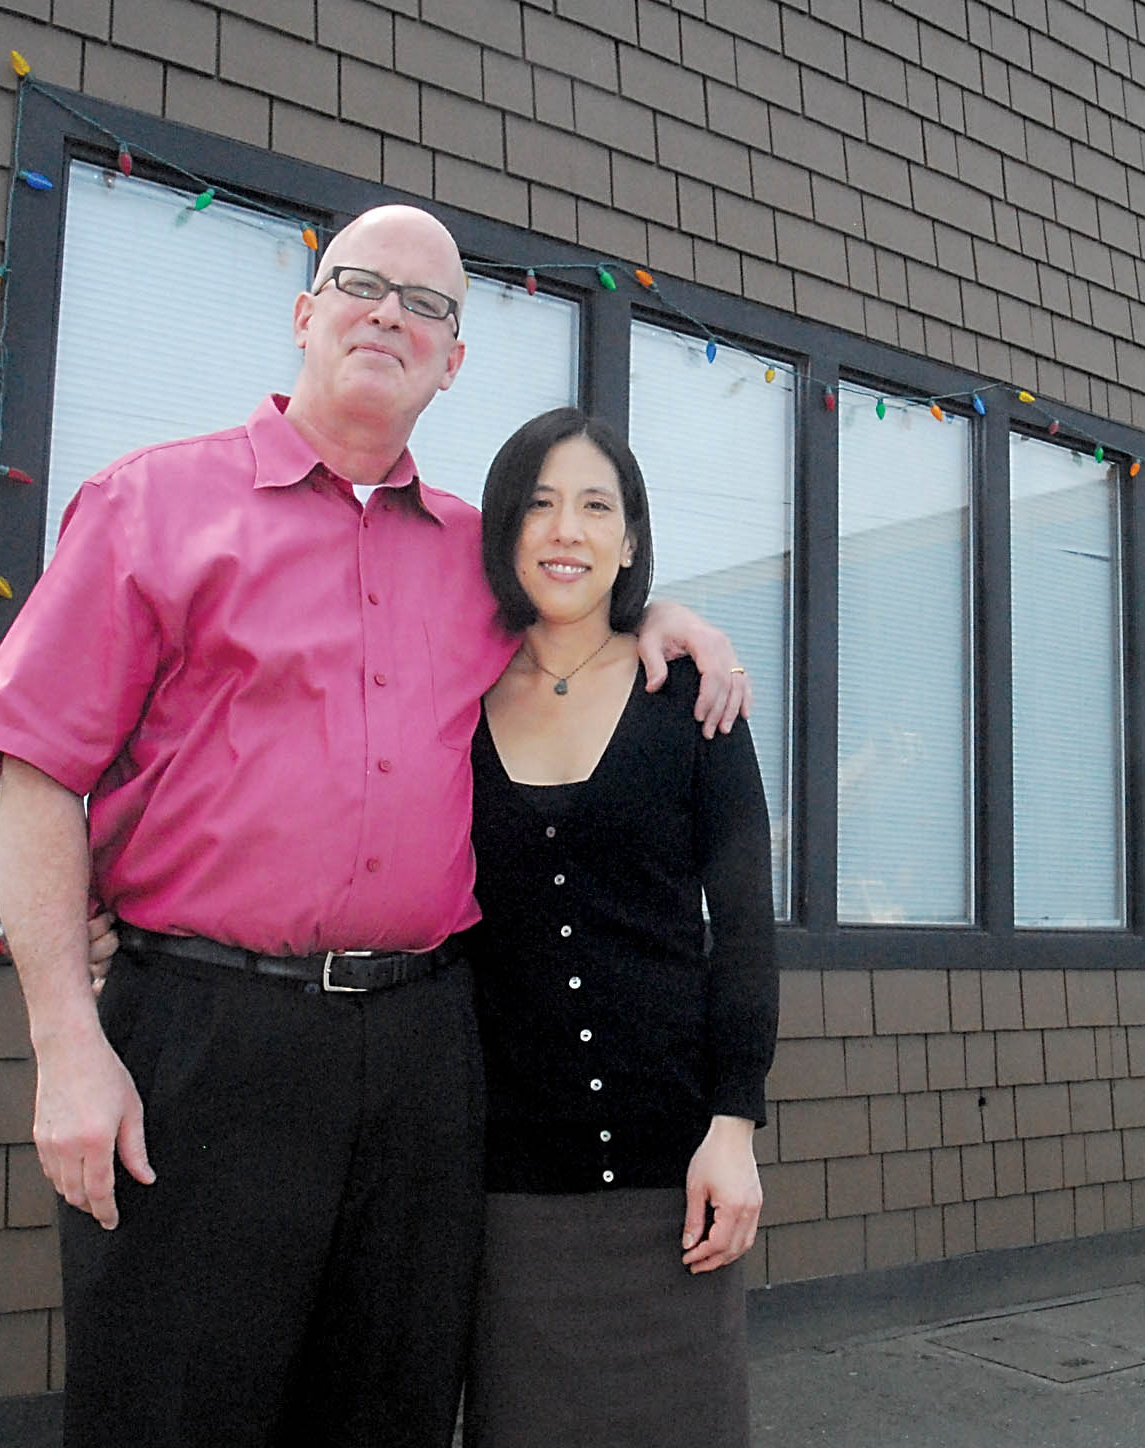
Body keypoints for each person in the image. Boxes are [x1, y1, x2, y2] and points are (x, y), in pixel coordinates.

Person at [0, 205, 748, 1448]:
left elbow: (573, 615)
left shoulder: (477, 566)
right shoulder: (151, 506)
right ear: (306, 312)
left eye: (427, 303)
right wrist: (65, 1040)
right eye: (361, 284)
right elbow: (39, 770)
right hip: (206, 1035)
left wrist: (664, 617)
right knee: (175, 1405)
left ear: (453, 359)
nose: (391, 313)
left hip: (428, 1048)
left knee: (388, 1406)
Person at [460, 408, 778, 1448]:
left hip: (669, 1171)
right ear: (507, 528)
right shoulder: (449, 702)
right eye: (541, 503)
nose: (567, 529)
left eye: (597, 504)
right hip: (505, 1180)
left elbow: (742, 924)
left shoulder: (689, 696)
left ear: (631, 537)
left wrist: (733, 1124)